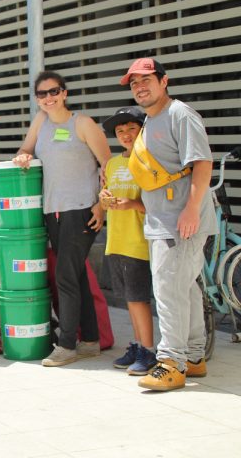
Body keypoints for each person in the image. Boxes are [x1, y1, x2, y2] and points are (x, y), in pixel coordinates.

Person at [119, 58, 218, 391]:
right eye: (134, 84)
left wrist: (191, 209)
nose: (140, 88)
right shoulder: (151, 119)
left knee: (168, 290)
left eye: (146, 80)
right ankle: (192, 357)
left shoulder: (180, 114)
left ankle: (171, 363)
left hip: (181, 222)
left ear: (164, 81)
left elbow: (202, 163)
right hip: (163, 219)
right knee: (183, 288)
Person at [12, 71, 110, 367]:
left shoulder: (82, 123)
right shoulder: (40, 122)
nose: (48, 98)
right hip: (52, 210)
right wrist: (23, 156)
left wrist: (101, 207)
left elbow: (109, 165)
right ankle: (90, 341)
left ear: (64, 93)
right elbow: (25, 148)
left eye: (53, 92)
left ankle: (67, 344)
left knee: (65, 276)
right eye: (41, 94)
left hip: (81, 209)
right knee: (76, 275)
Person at [99, 107, 157, 375]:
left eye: (131, 129)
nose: (125, 134)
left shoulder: (149, 159)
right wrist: (105, 199)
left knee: (139, 299)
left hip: (138, 241)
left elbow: (154, 204)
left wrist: (131, 203)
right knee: (128, 300)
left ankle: (148, 351)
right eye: (120, 131)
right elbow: (106, 194)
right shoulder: (112, 163)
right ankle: (136, 345)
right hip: (116, 240)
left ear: (142, 130)